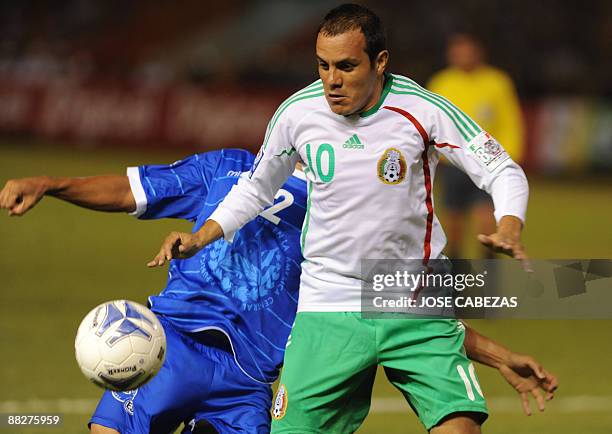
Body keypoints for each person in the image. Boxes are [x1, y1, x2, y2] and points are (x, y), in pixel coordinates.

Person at [149, 4, 536, 434]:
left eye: (347, 66)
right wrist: (202, 236)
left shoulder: (422, 110)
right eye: (323, 66)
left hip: (412, 300)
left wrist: (509, 222)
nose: (332, 80)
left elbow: (501, 168)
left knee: (460, 428)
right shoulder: (297, 113)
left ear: (380, 62)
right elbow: (256, 187)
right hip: (326, 304)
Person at [1, 149, 556, 434]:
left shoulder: (343, 221)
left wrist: (500, 354)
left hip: (250, 386)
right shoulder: (225, 169)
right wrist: (49, 185)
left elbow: (406, 314)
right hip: (169, 347)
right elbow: (131, 190)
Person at [428, 33, 526, 259]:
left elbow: (510, 121)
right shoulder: (441, 82)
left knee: (485, 221)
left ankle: (487, 275)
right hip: (452, 164)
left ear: (478, 53)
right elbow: (430, 123)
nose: (462, 56)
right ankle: (456, 280)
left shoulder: (497, 82)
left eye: (467, 51)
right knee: (453, 225)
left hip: (487, 161)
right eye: (457, 52)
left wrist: (510, 156)